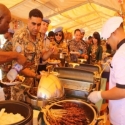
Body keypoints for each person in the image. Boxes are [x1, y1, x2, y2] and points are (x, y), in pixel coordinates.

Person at [88, 16, 125, 125]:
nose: (107, 42)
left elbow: (122, 90)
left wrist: (100, 95)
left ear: (114, 32)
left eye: (108, 38)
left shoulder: (121, 54)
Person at [12, 9, 54, 83]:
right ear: (28, 20)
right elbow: (17, 66)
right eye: (33, 24)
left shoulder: (38, 36)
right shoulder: (20, 36)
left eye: (38, 24)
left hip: (32, 81)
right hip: (20, 84)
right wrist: (36, 76)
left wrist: (50, 52)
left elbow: (42, 57)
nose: (36, 28)